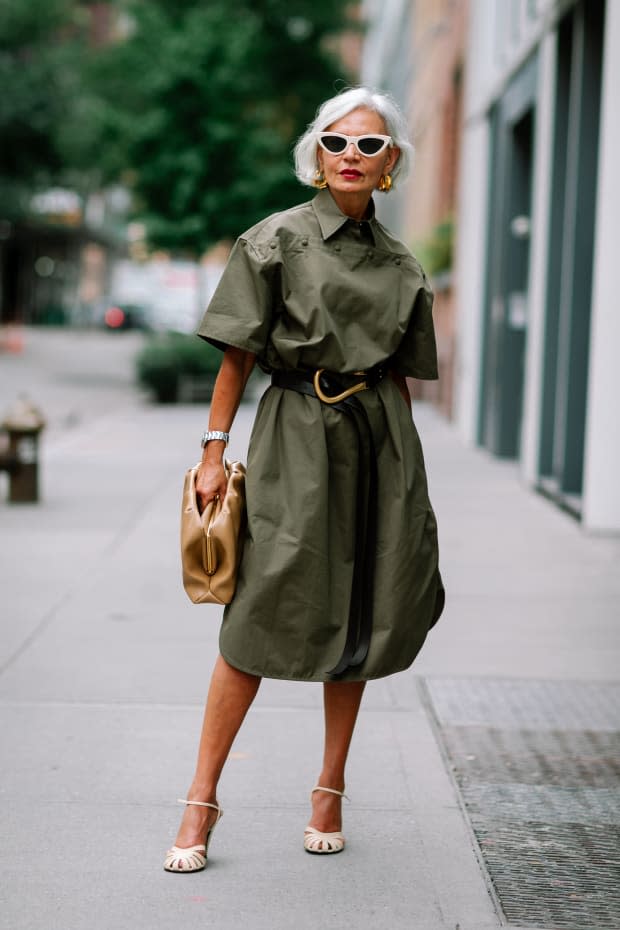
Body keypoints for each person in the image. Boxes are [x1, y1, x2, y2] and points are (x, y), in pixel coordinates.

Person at [164, 86, 445, 872]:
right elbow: (237, 355)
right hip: (294, 434)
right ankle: (201, 798)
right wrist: (214, 452)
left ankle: (329, 787)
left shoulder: (401, 264)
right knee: (261, 605)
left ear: (391, 165)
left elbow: (403, 376)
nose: (352, 155)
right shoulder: (276, 240)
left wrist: (407, 481)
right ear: (315, 157)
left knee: (363, 607)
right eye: (336, 142)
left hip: (381, 439)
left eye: (370, 145)